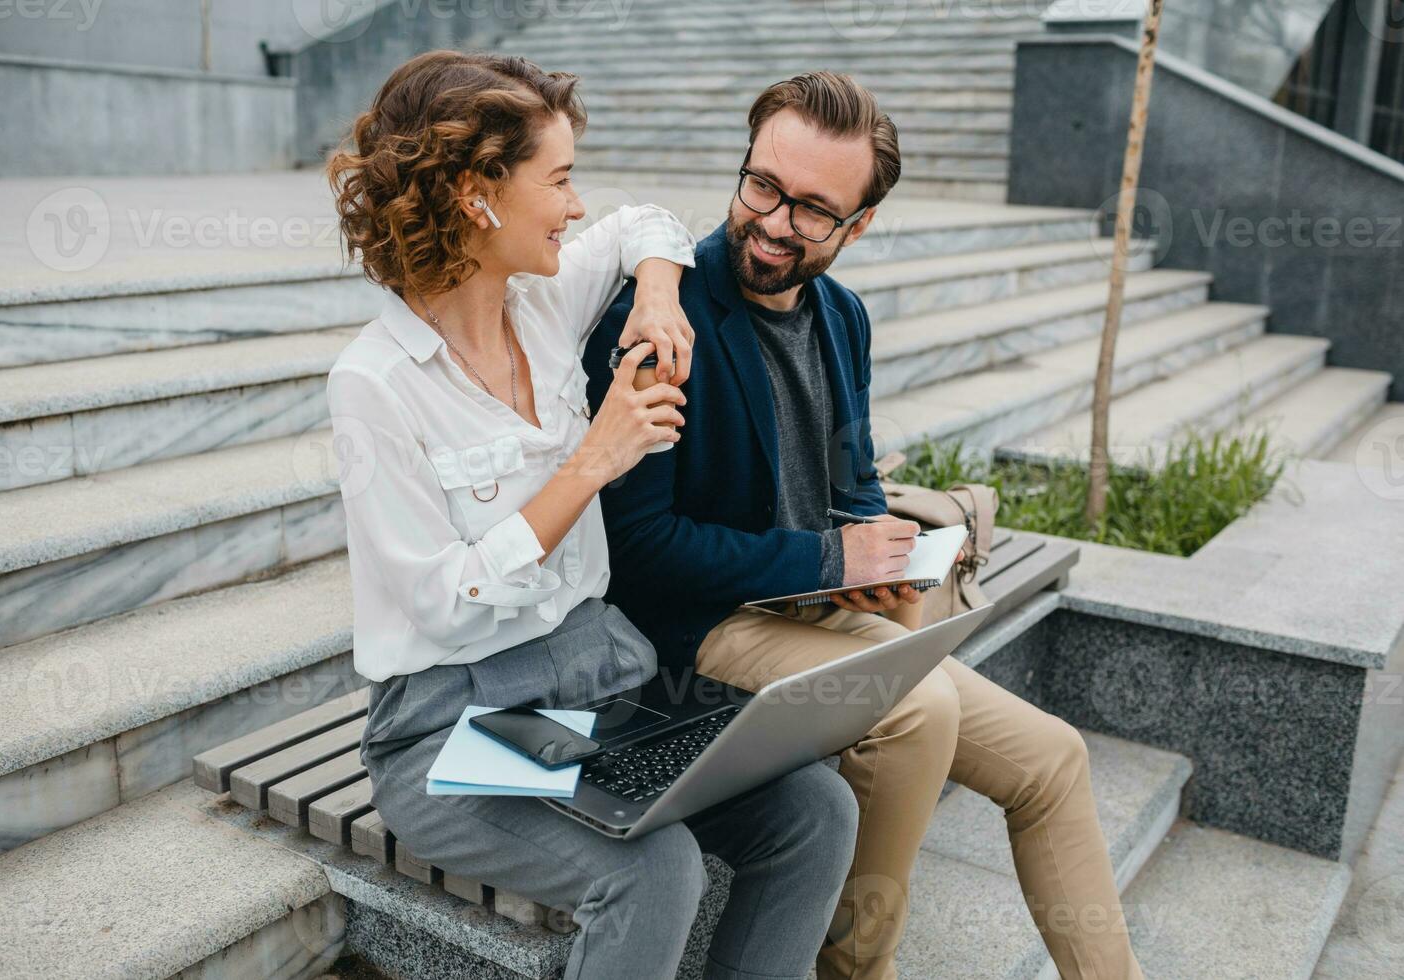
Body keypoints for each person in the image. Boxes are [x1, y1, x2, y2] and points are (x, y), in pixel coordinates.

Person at [584, 71, 1146, 980]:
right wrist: (825, 555)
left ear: (860, 225)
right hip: (702, 632)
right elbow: (639, 550)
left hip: (819, 613)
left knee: (1053, 757)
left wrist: (888, 565)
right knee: (912, 708)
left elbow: (852, 491)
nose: (772, 223)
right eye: (762, 185)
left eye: (811, 210)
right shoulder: (662, 315)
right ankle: (856, 967)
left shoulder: (842, 318)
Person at [323, 51, 859, 980]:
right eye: (559, 180)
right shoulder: (372, 385)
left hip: (591, 693)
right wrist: (593, 459)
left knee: (818, 812)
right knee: (654, 870)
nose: (575, 206)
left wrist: (658, 292)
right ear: (477, 194)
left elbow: (645, 224)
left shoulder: (542, 303)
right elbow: (445, 605)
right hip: (449, 732)